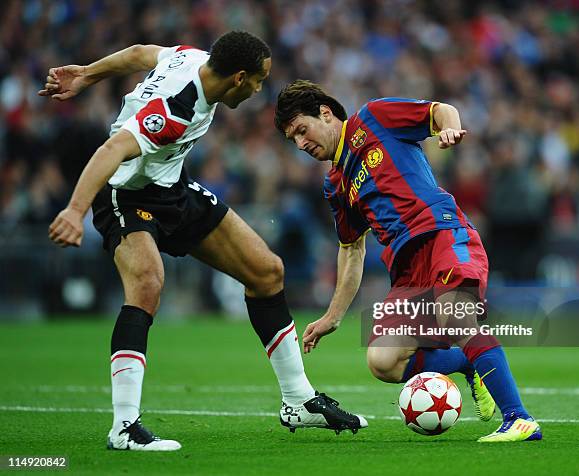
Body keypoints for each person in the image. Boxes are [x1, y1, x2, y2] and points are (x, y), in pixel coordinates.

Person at [39, 32, 367, 452]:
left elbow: (141, 53)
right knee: (146, 285)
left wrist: (87, 73)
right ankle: (124, 426)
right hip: (125, 193)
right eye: (258, 81)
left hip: (171, 187)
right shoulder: (175, 110)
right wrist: (74, 210)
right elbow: (111, 150)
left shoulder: (193, 58)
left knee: (266, 271)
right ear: (239, 78)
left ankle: (299, 400)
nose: (259, 90)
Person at [274, 80, 542, 443]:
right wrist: (331, 316)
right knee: (383, 361)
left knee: (456, 313)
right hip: (406, 266)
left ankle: (519, 419)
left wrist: (448, 127)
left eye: (302, 131)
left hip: (441, 233)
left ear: (325, 113)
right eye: (293, 140)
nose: (301, 144)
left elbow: (438, 110)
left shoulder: (373, 118)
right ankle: (468, 364)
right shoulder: (336, 185)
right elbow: (351, 250)